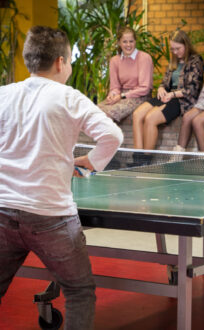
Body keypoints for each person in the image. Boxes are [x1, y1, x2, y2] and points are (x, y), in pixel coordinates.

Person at [0, 26, 123, 329]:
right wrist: (89, 163)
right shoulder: (69, 97)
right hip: (51, 217)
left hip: (3, 212)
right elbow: (112, 135)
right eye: (69, 60)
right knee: (80, 291)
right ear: (59, 62)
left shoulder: (4, 94)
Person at [132, 30, 204, 154]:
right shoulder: (174, 61)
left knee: (150, 118)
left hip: (182, 100)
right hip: (168, 95)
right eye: (172, 49)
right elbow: (165, 83)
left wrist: (172, 94)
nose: (175, 52)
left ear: (186, 45)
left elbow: (192, 90)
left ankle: (145, 159)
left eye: (178, 48)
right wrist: (161, 89)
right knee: (137, 114)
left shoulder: (196, 61)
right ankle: (137, 156)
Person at [99, 26, 153, 123]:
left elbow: (145, 88)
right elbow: (115, 87)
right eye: (125, 42)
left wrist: (122, 96)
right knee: (96, 111)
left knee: (107, 114)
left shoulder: (145, 58)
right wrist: (112, 95)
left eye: (131, 41)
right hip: (121, 95)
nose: (128, 45)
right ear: (119, 43)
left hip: (140, 97)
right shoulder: (114, 60)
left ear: (135, 41)